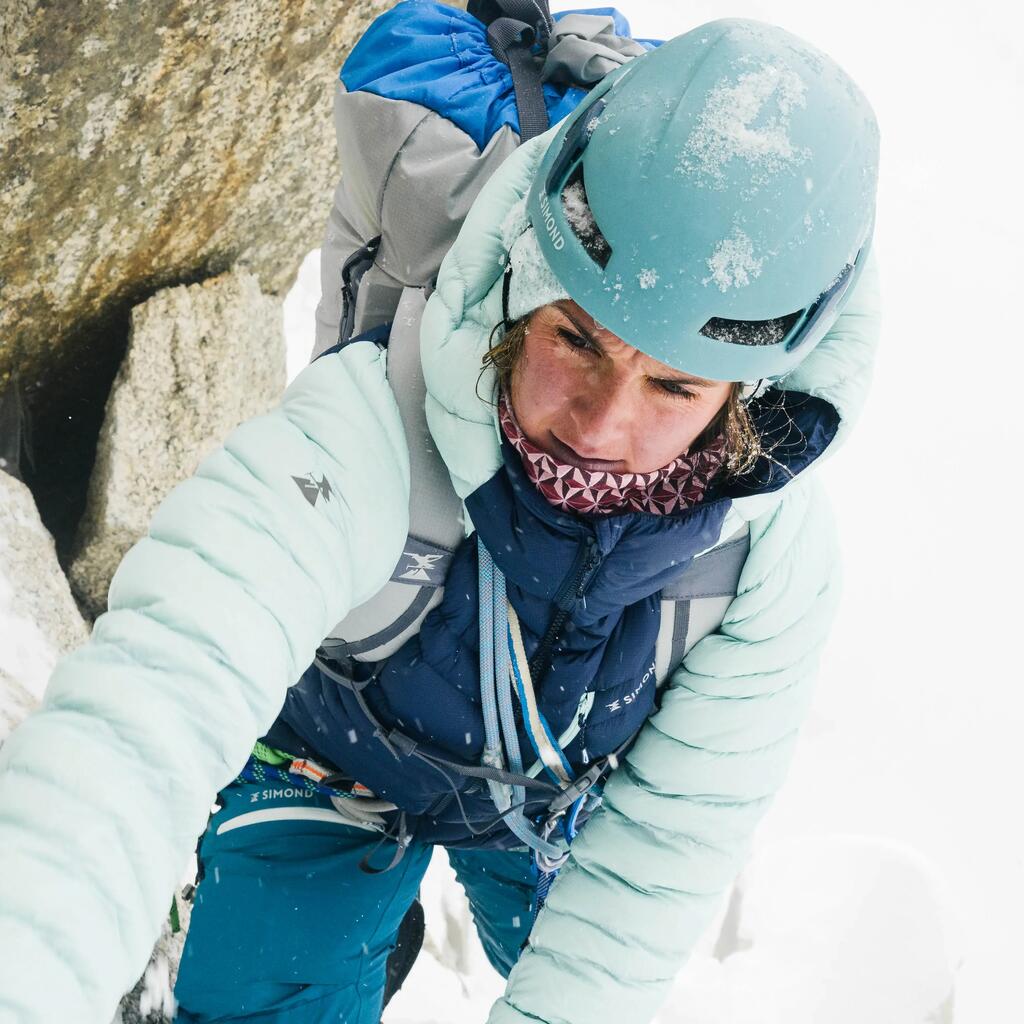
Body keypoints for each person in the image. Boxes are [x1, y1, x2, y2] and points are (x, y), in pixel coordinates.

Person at [0, 12, 881, 1024]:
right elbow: (145, 713)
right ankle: (352, 926)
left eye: (676, 388)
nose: (601, 426)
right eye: (576, 341)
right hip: (332, 761)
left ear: (750, 396)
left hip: (554, 808)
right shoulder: (369, 426)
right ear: (522, 289)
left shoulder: (765, 559)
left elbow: (658, 856)